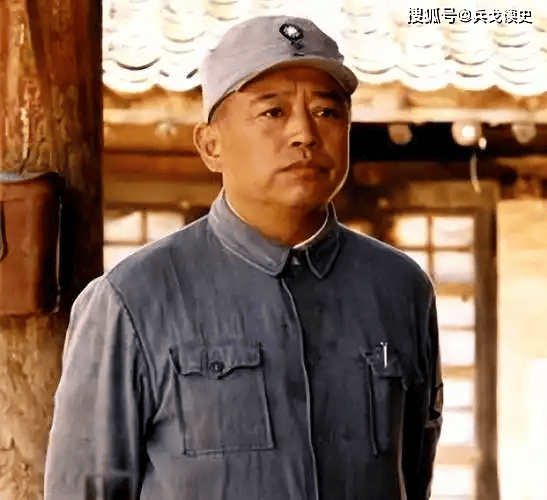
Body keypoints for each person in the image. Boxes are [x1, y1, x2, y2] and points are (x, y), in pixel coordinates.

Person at [44, 15, 443, 500]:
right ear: (210, 145)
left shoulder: (400, 288)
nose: (305, 134)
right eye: (273, 112)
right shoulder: (130, 300)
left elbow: (412, 473)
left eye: (326, 112)